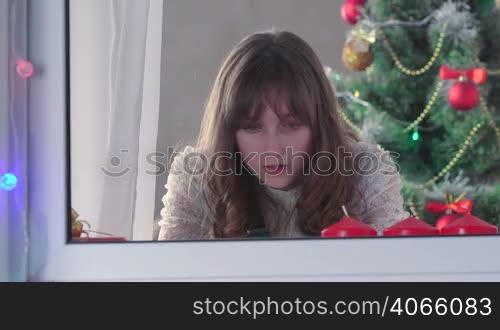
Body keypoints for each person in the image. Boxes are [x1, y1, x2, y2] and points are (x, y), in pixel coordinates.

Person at [158, 29, 410, 240]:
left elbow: (393, 275)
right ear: (229, 130)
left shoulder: (367, 172)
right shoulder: (197, 178)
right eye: (252, 127)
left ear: (319, 123)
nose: (273, 149)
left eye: (291, 125)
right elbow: (167, 280)